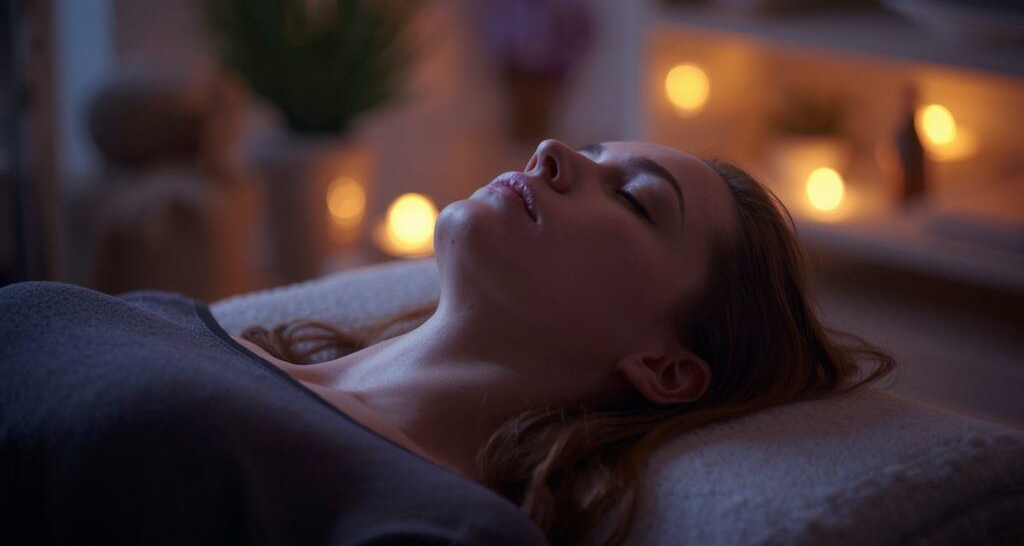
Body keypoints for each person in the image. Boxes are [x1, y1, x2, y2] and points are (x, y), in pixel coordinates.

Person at [1, 139, 895, 546]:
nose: (555, 154)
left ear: (666, 367)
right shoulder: (184, 319)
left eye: (634, 197)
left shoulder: (436, 523)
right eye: (589, 147)